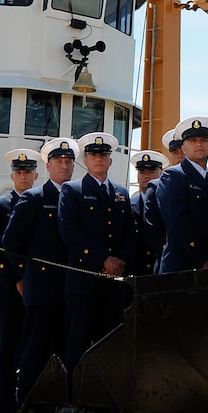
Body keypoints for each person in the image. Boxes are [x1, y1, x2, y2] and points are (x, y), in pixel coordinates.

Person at [3, 136, 78, 409]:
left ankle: (59, 405)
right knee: (35, 350)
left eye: (69, 162)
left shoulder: (76, 197)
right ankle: (27, 407)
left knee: (64, 348)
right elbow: (11, 242)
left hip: (69, 289)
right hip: (41, 288)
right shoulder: (34, 198)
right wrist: (27, 274)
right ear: (48, 166)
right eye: (59, 161)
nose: (65, 166)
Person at [59, 132, 135, 370]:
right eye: (93, 155)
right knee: (78, 345)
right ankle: (74, 401)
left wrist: (120, 260)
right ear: (86, 160)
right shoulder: (72, 190)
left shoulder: (122, 192)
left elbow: (130, 232)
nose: (99, 159)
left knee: (112, 345)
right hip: (84, 282)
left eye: (103, 155)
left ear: (110, 161)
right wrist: (103, 259)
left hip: (114, 284)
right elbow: (69, 231)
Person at [0, 148, 39, 413]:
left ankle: (31, 406)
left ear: (36, 175)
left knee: (33, 350)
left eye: (28, 172)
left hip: (37, 290)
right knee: (5, 355)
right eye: (19, 172)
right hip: (7, 291)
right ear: (12, 175)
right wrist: (16, 280)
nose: (23, 177)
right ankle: (6, 411)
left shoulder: (42, 204)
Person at [152, 116, 208, 273]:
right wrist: (203, 258)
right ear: (183, 148)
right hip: (182, 265)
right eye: (192, 140)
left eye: (204, 140)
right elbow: (177, 222)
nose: (199, 144)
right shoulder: (173, 175)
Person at [129, 150, 168, 276]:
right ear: (137, 177)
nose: (147, 176)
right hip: (137, 269)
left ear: (161, 174)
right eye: (142, 172)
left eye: (152, 172)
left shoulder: (169, 202)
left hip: (163, 265)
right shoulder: (129, 205)